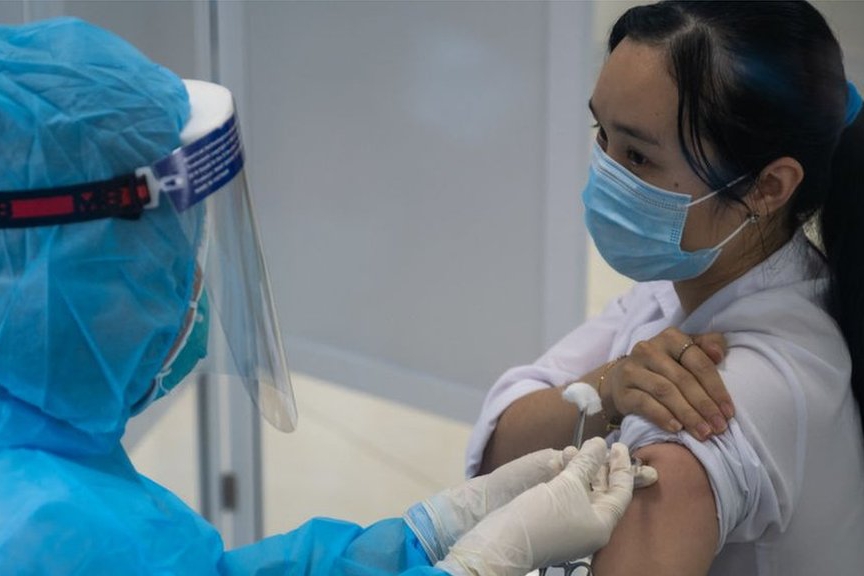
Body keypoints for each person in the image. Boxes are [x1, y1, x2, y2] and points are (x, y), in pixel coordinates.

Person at [0, 18, 659, 576]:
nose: (193, 290)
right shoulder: (39, 529)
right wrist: (474, 567)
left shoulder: (46, 458)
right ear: (49, 282)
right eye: (160, 266)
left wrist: (427, 535)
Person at [467, 1, 864, 574]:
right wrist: (611, 387)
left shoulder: (713, 401)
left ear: (767, 187)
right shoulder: (695, 278)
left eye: (637, 155)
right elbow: (498, 449)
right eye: (601, 133)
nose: (604, 173)